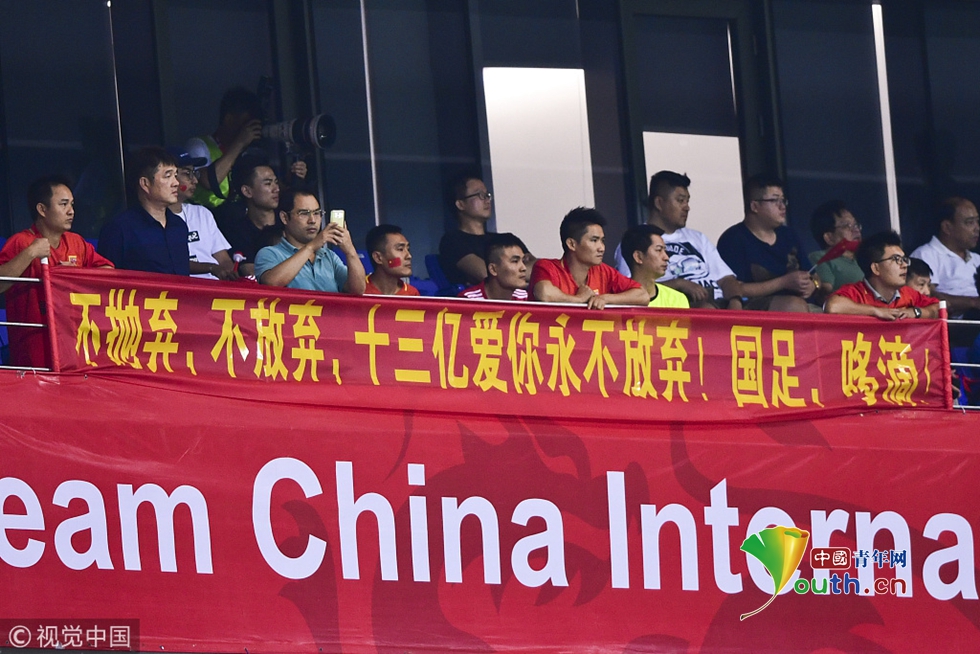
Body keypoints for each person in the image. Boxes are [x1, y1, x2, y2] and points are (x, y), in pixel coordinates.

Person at [0, 175, 113, 367]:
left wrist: (75, 275)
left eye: (72, 204)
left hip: (74, 344)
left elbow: (108, 270)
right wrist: (30, 253)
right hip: (34, 349)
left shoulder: (76, 242)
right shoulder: (21, 242)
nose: (71, 211)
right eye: (63, 204)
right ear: (42, 209)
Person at [613, 170, 737, 308]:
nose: (687, 207)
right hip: (680, 308)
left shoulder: (698, 238)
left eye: (687, 201)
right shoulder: (635, 240)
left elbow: (726, 278)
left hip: (719, 304)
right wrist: (679, 284)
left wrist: (736, 301)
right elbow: (632, 289)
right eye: (680, 201)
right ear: (659, 203)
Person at [186, 87, 307, 209]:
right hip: (206, 215)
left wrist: (289, 180)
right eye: (246, 123)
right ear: (229, 119)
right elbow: (209, 182)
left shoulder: (250, 152)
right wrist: (239, 142)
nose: (249, 130)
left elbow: (266, 192)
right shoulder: (199, 145)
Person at [717, 174, 817, 312]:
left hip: (805, 306)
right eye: (774, 200)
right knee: (794, 305)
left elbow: (814, 275)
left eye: (783, 200)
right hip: (756, 308)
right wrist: (784, 282)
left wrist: (813, 285)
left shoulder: (789, 235)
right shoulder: (733, 239)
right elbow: (734, 288)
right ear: (755, 206)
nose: (782, 206)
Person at [530, 207, 649, 309]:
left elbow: (643, 296)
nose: (601, 248)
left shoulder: (604, 272)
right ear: (572, 244)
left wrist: (605, 298)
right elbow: (544, 294)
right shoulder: (547, 267)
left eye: (602, 241)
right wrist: (579, 299)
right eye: (594, 240)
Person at [254, 188, 366, 294]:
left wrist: (350, 251)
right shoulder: (269, 253)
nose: (312, 220)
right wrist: (311, 247)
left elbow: (358, 290)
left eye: (316, 213)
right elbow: (271, 283)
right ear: (284, 218)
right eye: (304, 213)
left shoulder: (329, 256)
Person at [98, 147, 190, 275]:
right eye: (167, 176)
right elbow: (106, 278)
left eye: (175, 175)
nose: (176, 183)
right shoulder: (120, 229)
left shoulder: (179, 225)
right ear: (145, 184)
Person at [825, 230, 939, 320]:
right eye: (896, 259)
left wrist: (916, 312)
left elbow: (939, 308)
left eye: (904, 259)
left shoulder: (907, 293)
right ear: (876, 268)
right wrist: (875, 311)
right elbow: (832, 306)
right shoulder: (856, 292)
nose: (904, 265)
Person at [167, 147, 237, 281]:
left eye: (194, 173)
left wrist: (230, 276)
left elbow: (223, 259)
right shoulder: (154, 217)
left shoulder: (202, 213)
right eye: (187, 173)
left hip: (215, 287)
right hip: (183, 288)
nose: (195, 180)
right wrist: (211, 268)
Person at [909, 197, 980, 319]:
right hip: (955, 325)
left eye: (977, 221)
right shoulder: (926, 255)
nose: (977, 228)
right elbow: (927, 296)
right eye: (969, 223)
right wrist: (973, 303)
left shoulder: (977, 259)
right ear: (947, 227)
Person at [215, 157, 281, 278]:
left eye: (276, 182)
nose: (276, 189)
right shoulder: (237, 232)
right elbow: (249, 271)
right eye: (268, 183)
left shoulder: (288, 221)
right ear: (247, 191)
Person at [438, 175, 495, 286]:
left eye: (487, 195)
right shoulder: (452, 241)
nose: (487, 200)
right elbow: (486, 274)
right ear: (460, 204)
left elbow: (533, 271)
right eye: (479, 195)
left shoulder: (506, 239)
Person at [619, 224, 689, 309]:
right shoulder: (617, 299)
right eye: (659, 250)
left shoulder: (677, 299)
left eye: (664, 250)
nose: (666, 257)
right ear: (638, 257)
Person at [808, 200, 864, 293]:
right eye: (847, 226)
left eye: (855, 225)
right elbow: (825, 293)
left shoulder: (866, 259)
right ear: (829, 238)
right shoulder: (819, 257)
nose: (856, 230)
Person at [459, 232, 530, 300]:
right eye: (515, 261)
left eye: (523, 261)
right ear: (493, 269)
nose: (523, 268)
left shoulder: (525, 298)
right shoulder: (469, 300)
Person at [363, 225, 420, 296]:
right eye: (400, 249)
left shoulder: (411, 293)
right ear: (378, 258)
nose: (409, 256)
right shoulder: (360, 290)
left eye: (408, 249)